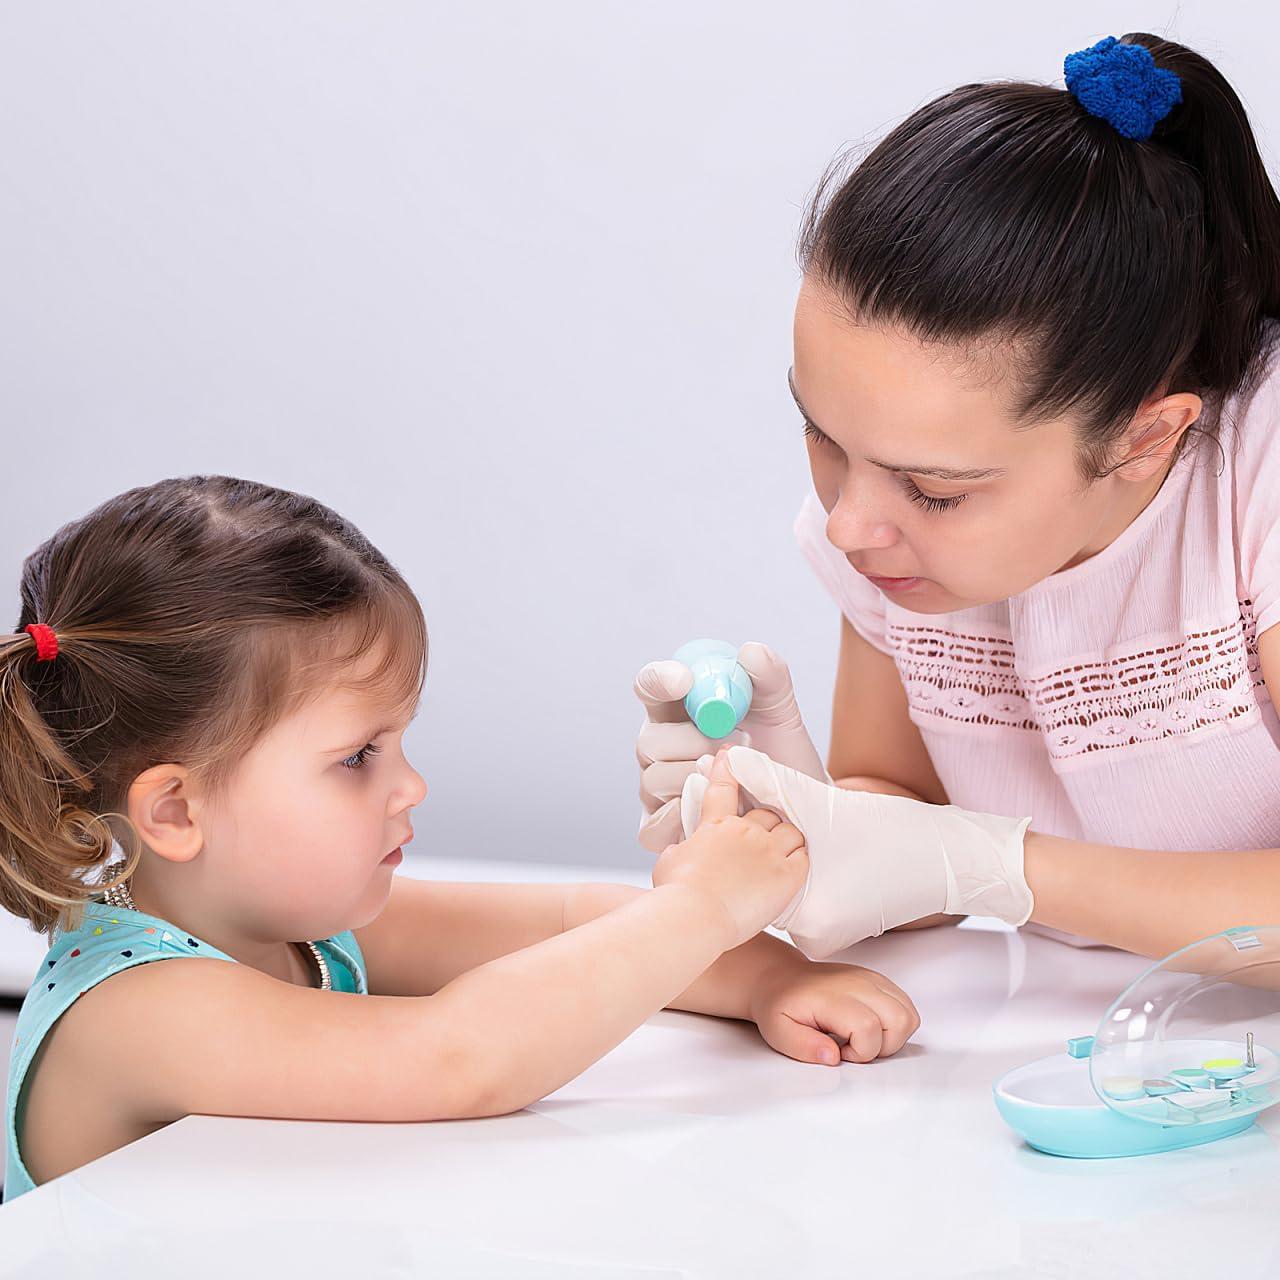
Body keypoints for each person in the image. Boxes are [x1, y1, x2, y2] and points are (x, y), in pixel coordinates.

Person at [1, 476, 919, 1201]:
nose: (412, 786)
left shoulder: (296, 922)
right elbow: (460, 1057)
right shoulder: (138, 1014)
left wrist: (769, 978)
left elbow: (568, 921)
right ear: (174, 812)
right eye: (358, 756)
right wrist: (702, 907)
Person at [635, 34, 1280, 961]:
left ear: (1147, 438)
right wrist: (795, 820)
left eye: (935, 490)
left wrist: (986, 864)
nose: (848, 525)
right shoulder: (886, 537)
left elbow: (953, 856)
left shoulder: (1257, 473)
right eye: (820, 434)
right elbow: (911, 819)